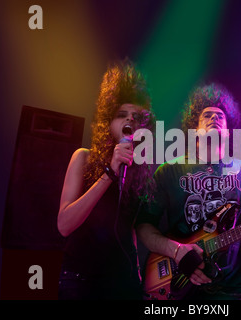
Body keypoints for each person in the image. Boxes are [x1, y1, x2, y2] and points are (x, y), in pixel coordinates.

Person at [136, 83, 241, 300]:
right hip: (178, 285)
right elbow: (144, 225)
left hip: (228, 290)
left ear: (229, 131)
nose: (214, 118)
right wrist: (176, 251)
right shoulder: (169, 170)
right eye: (207, 115)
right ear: (194, 128)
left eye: (220, 117)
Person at [57, 59, 155, 300]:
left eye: (135, 116)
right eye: (122, 115)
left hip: (123, 283)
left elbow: (129, 229)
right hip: (82, 281)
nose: (129, 120)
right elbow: (64, 225)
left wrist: (138, 274)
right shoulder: (83, 158)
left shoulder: (140, 172)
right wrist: (109, 172)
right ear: (108, 122)